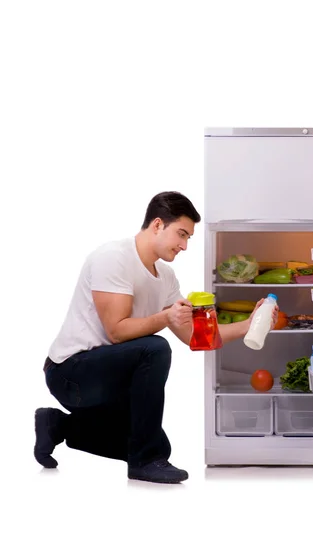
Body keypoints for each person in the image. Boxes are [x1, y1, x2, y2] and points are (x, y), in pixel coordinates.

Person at [34, 191, 278, 484]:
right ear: (158, 224)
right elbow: (116, 330)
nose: (185, 245)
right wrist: (165, 318)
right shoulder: (113, 259)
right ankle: (143, 463)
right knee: (155, 348)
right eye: (181, 234)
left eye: (188, 238)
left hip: (109, 380)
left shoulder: (165, 277)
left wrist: (249, 325)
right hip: (71, 374)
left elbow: (194, 338)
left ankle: (57, 426)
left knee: (155, 445)